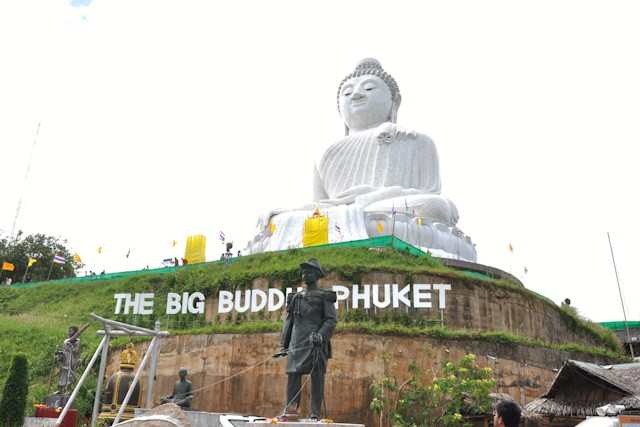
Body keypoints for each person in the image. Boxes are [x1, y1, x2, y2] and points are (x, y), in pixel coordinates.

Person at [275, 258, 337, 422]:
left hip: (315, 342)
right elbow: (289, 322)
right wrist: (284, 345)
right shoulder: (296, 297)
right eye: (303, 272)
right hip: (297, 341)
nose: (305, 275)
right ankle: (291, 409)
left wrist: (321, 335)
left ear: (317, 275)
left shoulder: (325, 296)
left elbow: (331, 320)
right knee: (293, 375)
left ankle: (315, 413)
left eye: (309, 272)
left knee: (317, 376)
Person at [55, 326, 81, 394]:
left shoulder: (77, 341)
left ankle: (69, 389)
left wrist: (71, 347)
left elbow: (76, 351)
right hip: (65, 359)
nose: (69, 332)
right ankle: (61, 389)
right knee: (62, 374)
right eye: (68, 331)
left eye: (71, 331)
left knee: (70, 374)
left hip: (71, 359)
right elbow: (64, 349)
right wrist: (60, 355)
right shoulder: (66, 340)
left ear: (75, 332)